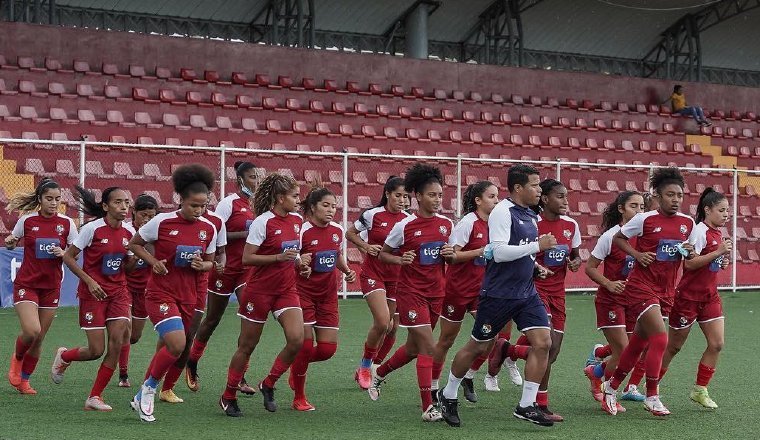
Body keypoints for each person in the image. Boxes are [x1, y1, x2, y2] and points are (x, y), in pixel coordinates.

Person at [437, 164, 557, 428]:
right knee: (478, 346)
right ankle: (447, 394)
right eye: (535, 185)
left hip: (526, 291)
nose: (540, 189)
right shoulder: (503, 211)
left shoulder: (529, 214)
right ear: (518, 188)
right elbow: (499, 252)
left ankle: (526, 405)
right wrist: (539, 246)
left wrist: (535, 267)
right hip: (499, 294)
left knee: (543, 342)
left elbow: (520, 250)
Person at [126, 164, 219, 422]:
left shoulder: (208, 228)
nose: (199, 211)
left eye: (202, 206)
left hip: (189, 295)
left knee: (179, 346)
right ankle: (149, 389)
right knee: (177, 344)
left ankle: (141, 394)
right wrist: (153, 261)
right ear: (181, 200)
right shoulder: (162, 221)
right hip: (160, 293)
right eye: (194, 205)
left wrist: (204, 265)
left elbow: (212, 262)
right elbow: (134, 244)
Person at [601, 167, 696, 417]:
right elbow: (619, 238)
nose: (675, 200)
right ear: (658, 195)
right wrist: (637, 254)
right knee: (660, 339)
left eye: (679, 195)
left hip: (666, 290)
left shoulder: (688, 223)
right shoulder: (645, 219)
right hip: (641, 287)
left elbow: (691, 253)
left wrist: (690, 252)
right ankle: (652, 395)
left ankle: (610, 388)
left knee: (637, 344)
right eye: (670, 195)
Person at [367, 163, 454, 423]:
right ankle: (428, 406)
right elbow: (383, 254)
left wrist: (452, 255)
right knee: (429, 346)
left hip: (436, 293)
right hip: (410, 293)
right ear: (418, 196)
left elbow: (453, 255)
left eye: (440, 195)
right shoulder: (404, 226)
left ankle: (379, 374)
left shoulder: (447, 225)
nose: (437, 200)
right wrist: (400, 260)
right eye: (432, 195)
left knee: (415, 348)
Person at [219, 173, 311, 417]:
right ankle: (228, 395)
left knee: (296, 339)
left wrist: (301, 263)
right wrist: (278, 258)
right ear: (280, 198)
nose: (298, 201)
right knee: (247, 345)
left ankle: (268, 383)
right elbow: (248, 258)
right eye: (294, 196)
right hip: (259, 291)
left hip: (286, 290)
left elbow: (294, 253)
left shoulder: (296, 221)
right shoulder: (263, 222)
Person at [52, 186, 132, 411]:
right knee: (96, 350)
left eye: (126, 202)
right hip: (93, 294)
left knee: (116, 343)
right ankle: (64, 355)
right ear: (105, 206)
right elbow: (68, 257)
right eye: (118, 202)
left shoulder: (129, 232)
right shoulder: (92, 230)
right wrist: (89, 281)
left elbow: (129, 265)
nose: (124, 206)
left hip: (118, 292)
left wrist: (147, 258)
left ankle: (94, 397)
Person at [187, 161, 260, 394]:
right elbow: (214, 229)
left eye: (257, 177)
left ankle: (239, 376)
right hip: (224, 268)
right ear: (240, 179)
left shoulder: (258, 205)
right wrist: (244, 234)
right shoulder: (229, 203)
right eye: (251, 177)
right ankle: (192, 360)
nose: (255, 181)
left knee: (250, 320)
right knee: (212, 320)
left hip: (246, 270)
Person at [659, 188, 731, 408]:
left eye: (727, 210)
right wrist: (717, 253)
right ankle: (650, 385)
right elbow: (689, 264)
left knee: (717, 344)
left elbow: (708, 261)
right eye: (721, 210)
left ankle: (700, 390)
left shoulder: (717, 232)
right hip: (688, 298)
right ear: (707, 210)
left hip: (709, 297)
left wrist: (720, 261)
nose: (726, 214)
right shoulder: (699, 231)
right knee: (673, 347)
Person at [5, 178, 77, 395]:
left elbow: (74, 253)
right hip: (27, 284)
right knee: (32, 330)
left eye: (57, 199)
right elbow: (13, 239)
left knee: (39, 338)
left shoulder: (67, 223)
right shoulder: (27, 221)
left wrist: (65, 253)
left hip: (51, 287)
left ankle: (25, 381)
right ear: (40, 199)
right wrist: (10, 241)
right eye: (49, 199)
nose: (54, 203)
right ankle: (17, 359)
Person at [431, 181, 500, 403]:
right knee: (446, 340)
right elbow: (452, 256)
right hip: (457, 291)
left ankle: (468, 376)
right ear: (478, 200)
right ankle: (433, 387)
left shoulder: (497, 224)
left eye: (497, 196)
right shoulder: (467, 223)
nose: (496, 200)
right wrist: (480, 251)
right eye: (491, 196)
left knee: (491, 335)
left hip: (482, 291)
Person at [289, 184, 356, 411]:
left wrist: (346, 270)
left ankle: (296, 367)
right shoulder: (302, 231)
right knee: (306, 347)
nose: (331, 210)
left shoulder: (337, 230)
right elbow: (293, 260)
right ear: (313, 207)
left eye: (334, 206)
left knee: (327, 350)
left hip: (328, 296)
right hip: (303, 293)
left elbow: (336, 254)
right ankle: (299, 396)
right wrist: (302, 267)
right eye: (326, 205)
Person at [157, 206, 226, 403]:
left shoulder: (214, 224)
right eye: (196, 203)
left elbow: (219, 255)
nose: (200, 207)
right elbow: (146, 244)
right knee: (170, 338)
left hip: (198, 288)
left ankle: (167, 388)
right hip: (171, 286)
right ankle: (154, 376)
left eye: (203, 203)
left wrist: (213, 265)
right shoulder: (167, 221)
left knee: (187, 337)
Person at [526, 179, 582, 421]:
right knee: (545, 344)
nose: (565, 201)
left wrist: (575, 262)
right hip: (535, 290)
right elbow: (523, 256)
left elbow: (576, 256)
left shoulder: (571, 225)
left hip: (559, 292)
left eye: (566, 196)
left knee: (554, 351)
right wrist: (537, 267)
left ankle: (507, 350)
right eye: (560, 196)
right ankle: (538, 404)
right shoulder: (532, 224)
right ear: (545, 199)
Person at [583, 191, 645, 408]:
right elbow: (590, 268)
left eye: (642, 207)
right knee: (624, 351)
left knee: (633, 352)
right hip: (611, 300)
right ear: (621, 209)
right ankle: (610, 394)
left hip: (635, 301)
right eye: (633, 206)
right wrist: (608, 283)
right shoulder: (610, 236)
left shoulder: (645, 237)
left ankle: (596, 371)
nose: (639, 211)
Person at [346, 176, 409, 389]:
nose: (402, 200)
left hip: (397, 279)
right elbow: (350, 233)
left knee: (393, 328)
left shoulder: (408, 219)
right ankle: (365, 365)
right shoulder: (372, 215)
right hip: (373, 274)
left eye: (406, 196)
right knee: (383, 322)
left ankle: (374, 367)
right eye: (398, 195)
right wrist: (365, 247)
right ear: (388, 194)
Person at [119, 194, 159, 387]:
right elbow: (124, 266)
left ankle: (117, 343)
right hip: (124, 286)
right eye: (144, 215)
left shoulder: (156, 232)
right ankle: (123, 375)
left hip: (145, 289)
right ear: (134, 212)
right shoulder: (126, 230)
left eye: (152, 216)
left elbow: (156, 258)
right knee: (125, 331)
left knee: (134, 337)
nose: (147, 219)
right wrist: (133, 259)